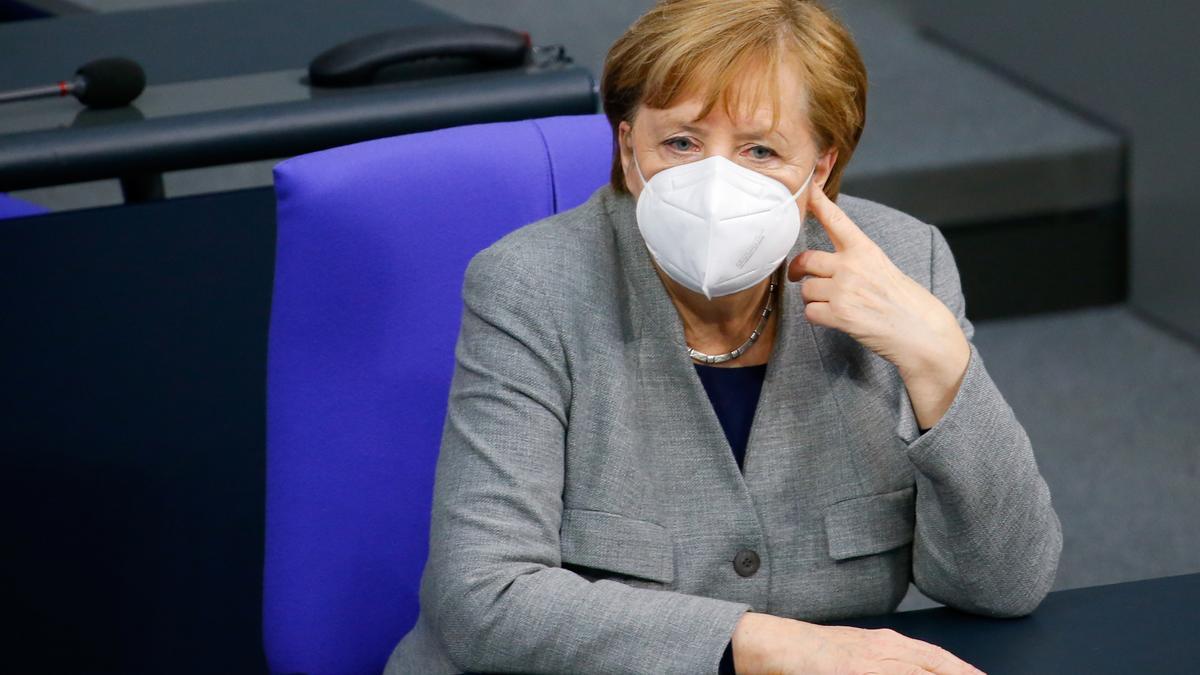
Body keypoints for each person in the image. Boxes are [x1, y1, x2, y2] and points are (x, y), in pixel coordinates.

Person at [383, 0, 1062, 673]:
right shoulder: (533, 286)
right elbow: (484, 597)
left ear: (820, 168)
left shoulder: (906, 265)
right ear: (627, 148)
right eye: (680, 142)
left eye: (760, 150)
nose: (715, 182)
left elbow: (1004, 585)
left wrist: (940, 361)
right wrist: (767, 643)